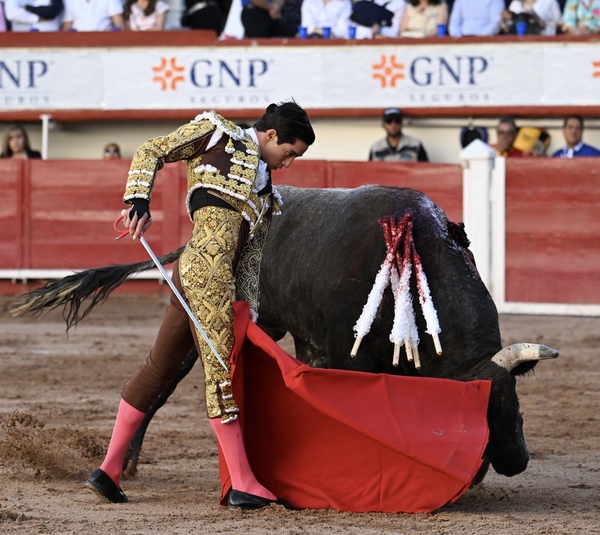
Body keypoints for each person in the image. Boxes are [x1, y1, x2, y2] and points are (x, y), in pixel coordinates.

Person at [84, 101, 316, 511]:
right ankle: (243, 483)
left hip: (199, 275)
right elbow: (152, 149)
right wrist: (138, 199)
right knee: (220, 372)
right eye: (289, 152)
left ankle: (108, 470)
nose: (289, 163)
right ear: (272, 135)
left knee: (158, 368)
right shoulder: (218, 133)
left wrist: (247, 306)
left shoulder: (266, 191)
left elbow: (251, 257)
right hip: (207, 275)